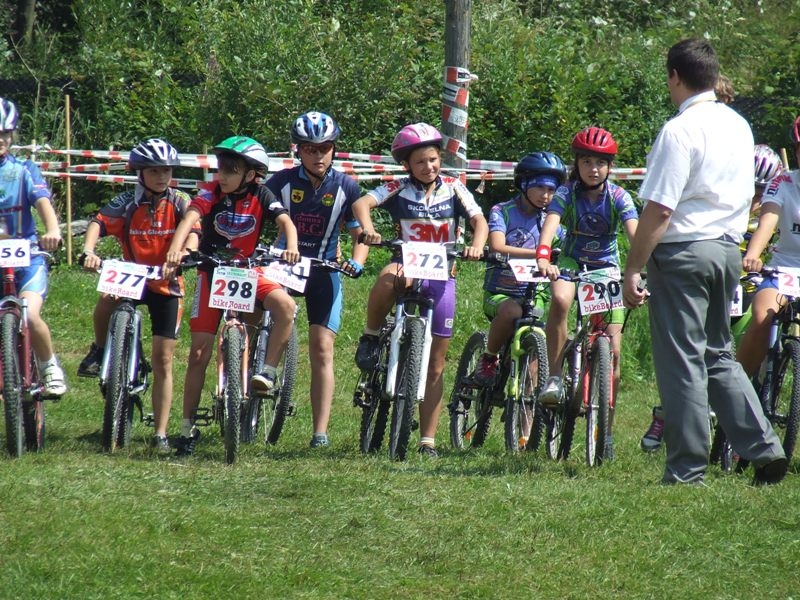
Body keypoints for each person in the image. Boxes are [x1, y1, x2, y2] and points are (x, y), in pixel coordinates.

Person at [622, 38, 787, 485]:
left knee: (682, 361)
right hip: (727, 251)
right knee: (718, 354)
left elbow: (660, 209)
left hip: (683, 252)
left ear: (675, 76)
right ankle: (765, 449)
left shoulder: (679, 129)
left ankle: (686, 468)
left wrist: (634, 267)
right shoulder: (739, 125)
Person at [353, 122, 488, 457]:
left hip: (443, 274)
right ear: (406, 165)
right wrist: (368, 229)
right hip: (406, 265)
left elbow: (479, 221)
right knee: (387, 278)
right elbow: (362, 204)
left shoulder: (454, 188)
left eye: (433, 159)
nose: (428, 166)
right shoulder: (398, 187)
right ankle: (371, 336)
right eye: (420, 162)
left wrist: (476, 245)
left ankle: (427, 439)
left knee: (437, 364)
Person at [640, 143, 784, 452]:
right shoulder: (723, 205)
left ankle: (740, 415)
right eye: (752, 189)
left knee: (744, 346)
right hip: (714, 285)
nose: (755, 198)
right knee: (691, 350)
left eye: (762, 191)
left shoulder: (774, 212)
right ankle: (665, 413)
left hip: (748, 290)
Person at [164, 136, 300, 456]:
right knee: (199, 352)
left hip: (247, 271)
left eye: (230, 170)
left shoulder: (262, 194)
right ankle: (186, 427)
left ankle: (267, 371)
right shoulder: (211, 191)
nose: (221, 175)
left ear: (251, 174)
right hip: (211, 273)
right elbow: (191, 218)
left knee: (286, 306)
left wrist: (291, 246)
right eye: (220, 168)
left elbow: (285, 221)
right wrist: (175, 249)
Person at [77, 138, 200, 452]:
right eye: (154, 170)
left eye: (166, 170)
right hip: (131, 276)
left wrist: (185, 254)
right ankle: (100, 350)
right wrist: (88, 251)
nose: (162, 176)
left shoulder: (180, 201)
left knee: (163, 359)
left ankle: (160, 433)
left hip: (166, 282)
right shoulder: (126, 201)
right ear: (139, 173)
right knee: (107, 298)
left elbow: (194, 232)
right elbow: (98, 223)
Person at [265, 111, 368, 449]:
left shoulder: (346, 186)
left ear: (334, 149)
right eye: (310, 149)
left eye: (324, 148)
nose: (318, 155)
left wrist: (357, 261)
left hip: (324, 270)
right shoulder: (281, 182)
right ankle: (254, 376)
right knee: (257, 319)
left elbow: (360, 233)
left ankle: (319, 433)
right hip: (284, 266)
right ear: (298, 150)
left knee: (322, 348)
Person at [535, 126, 639, 459]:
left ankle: (605, 433)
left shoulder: (619, 196)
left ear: (610, 166)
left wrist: (643, 268)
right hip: (571, 262)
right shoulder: (566, 193)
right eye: (586, 162)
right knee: (560, 299)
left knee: (614, 350)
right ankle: (554, 377)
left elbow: (635, 234)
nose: (593, 169)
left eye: (600, 163)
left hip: (607, 268)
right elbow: (551, 222)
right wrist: (543, 255)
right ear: (576, 164)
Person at [474, 151, 567, 389]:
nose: (546, 195)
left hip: (535, 294)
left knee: (537, 341)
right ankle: (489, 358)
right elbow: (497, 245)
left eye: (552, 190)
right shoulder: (502, 211)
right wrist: (540, 256)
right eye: (540, 187)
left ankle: (528, 404)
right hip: (500, 292)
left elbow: (567, 250)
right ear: (524, 184)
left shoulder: (551, 221)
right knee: (511, 311)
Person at [0, 97, 66, 398]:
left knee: (28, 312)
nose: (1, 139)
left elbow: (42, 201)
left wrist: (52, 230)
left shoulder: (24, 169)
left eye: (5, 133)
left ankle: (49, 366)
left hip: (26, 258)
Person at [736, 119, 800, 381]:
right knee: (762, 318)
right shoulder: (783, 183)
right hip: (784, 268)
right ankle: (735, 392)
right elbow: (767, 221)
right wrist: (753, 254)